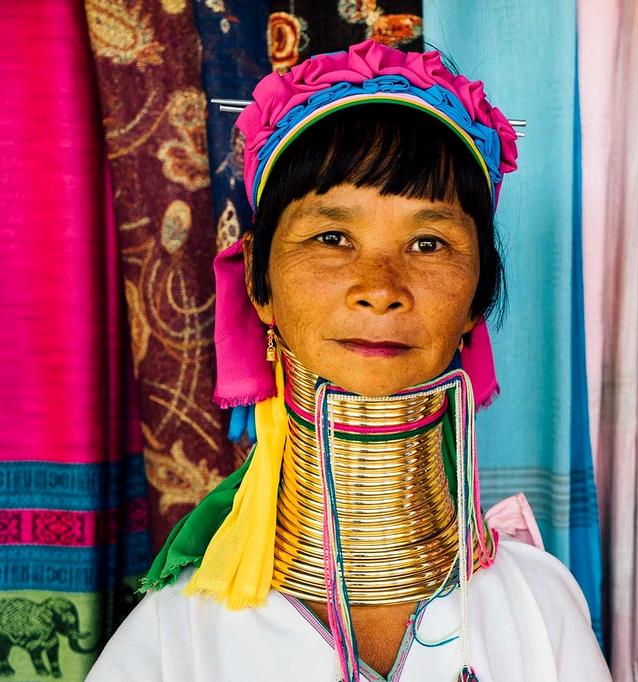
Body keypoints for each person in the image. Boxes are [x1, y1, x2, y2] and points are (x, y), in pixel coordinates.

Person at [87, 39, 610, 682]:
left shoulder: (539, 604)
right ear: (258, 281)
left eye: (428, 241)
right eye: (332, 238)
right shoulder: (175, 635)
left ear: (478, 297)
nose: (380, 286)